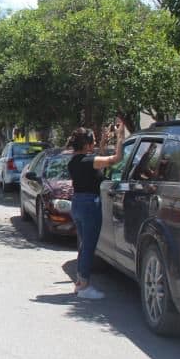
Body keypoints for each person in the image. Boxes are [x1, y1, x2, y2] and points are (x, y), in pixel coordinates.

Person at [66, 118, 125, 299]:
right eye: (92, 142)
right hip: (90, 204)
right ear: (86, 144)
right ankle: (84, 286)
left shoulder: (74, 161)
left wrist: (102, 143)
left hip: (77, 203)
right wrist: (120, 138)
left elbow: (95, 166)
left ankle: (80, 282)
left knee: (84, 246)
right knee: (89, 247)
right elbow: (117, 159)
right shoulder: (90, 161)